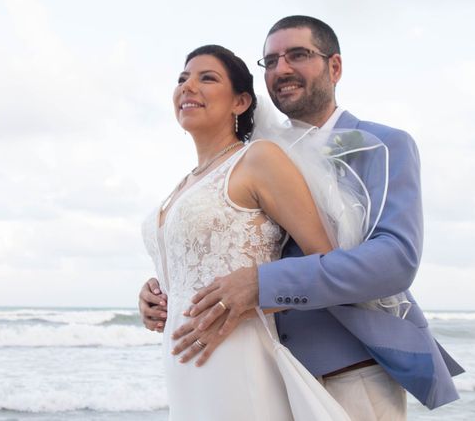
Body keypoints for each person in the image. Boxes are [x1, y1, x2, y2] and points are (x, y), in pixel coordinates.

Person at [140, 16, 463, 420]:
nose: (282, 69)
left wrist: (264, 285)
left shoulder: (381, 145)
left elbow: (394, 260)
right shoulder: (249, 155)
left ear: (335, 67)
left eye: (298, 55)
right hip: (259, 371)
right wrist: (168, 291)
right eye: (271, 61)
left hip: (349, 371)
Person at [143, 44, 352, 420]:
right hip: (184, 369)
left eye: (207, 78)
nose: (188, 86)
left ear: (240, 102)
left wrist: (258, 291)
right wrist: (155, 295)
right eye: (182, 78)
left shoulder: (258, 159)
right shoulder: (182, 186)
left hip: (239, 358)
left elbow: (327, 261)